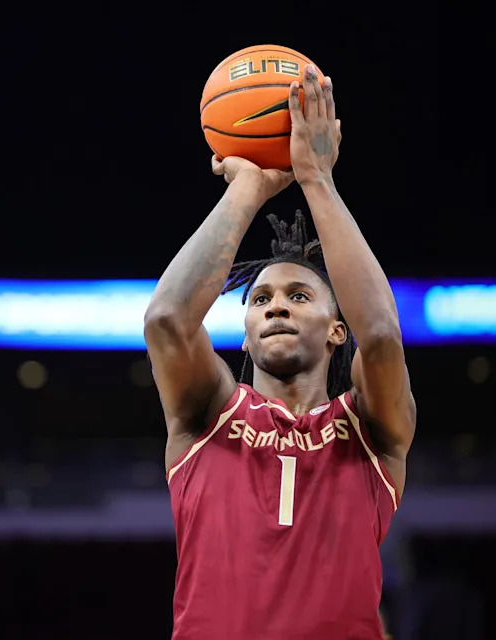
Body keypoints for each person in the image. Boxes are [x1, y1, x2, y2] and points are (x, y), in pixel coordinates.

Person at [143, 65, 416, 639]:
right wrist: (248, 186)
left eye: (298, 295)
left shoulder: (371, 428)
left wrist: (317, 179)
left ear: (337, 331)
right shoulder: (207, 416)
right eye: (260, 298)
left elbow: (384, 335)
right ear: (243, 333)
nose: (276, 307)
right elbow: (167, 319)